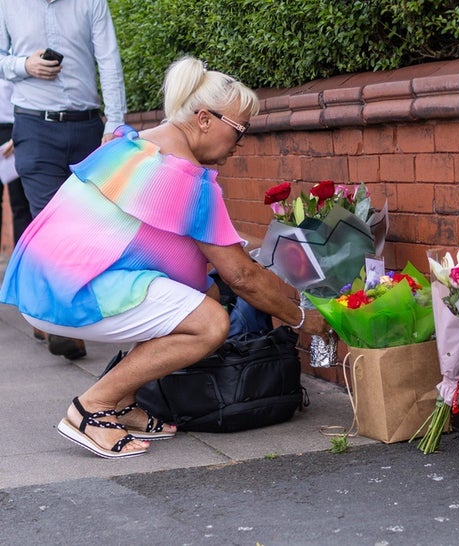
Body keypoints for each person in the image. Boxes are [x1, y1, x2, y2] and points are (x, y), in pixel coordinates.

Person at [0, 56, 333, 459]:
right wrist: (303, 317)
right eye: (239, 129)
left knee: (204, 300)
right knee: (210, 323)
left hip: (42, 281)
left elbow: (195, 244)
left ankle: (123, 402)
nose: (240, 142)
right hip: (65, 293)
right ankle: (94, 407)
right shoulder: (186, 179)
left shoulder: (138, 145)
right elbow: (241, 276)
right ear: (205, 119)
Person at [0, 0, 128, 359]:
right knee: (49, 222)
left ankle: (56, 312)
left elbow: (109, 60)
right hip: (34, 127)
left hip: (87, 126)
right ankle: (65, 323)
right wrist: (23, 65)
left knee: (88, 223)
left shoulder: (91, 3)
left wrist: (115, 121)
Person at [0, 80, 33, 249]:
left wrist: (18, 134)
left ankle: (23, 259)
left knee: (19, 201)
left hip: (13, 132)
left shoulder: (13, 59)